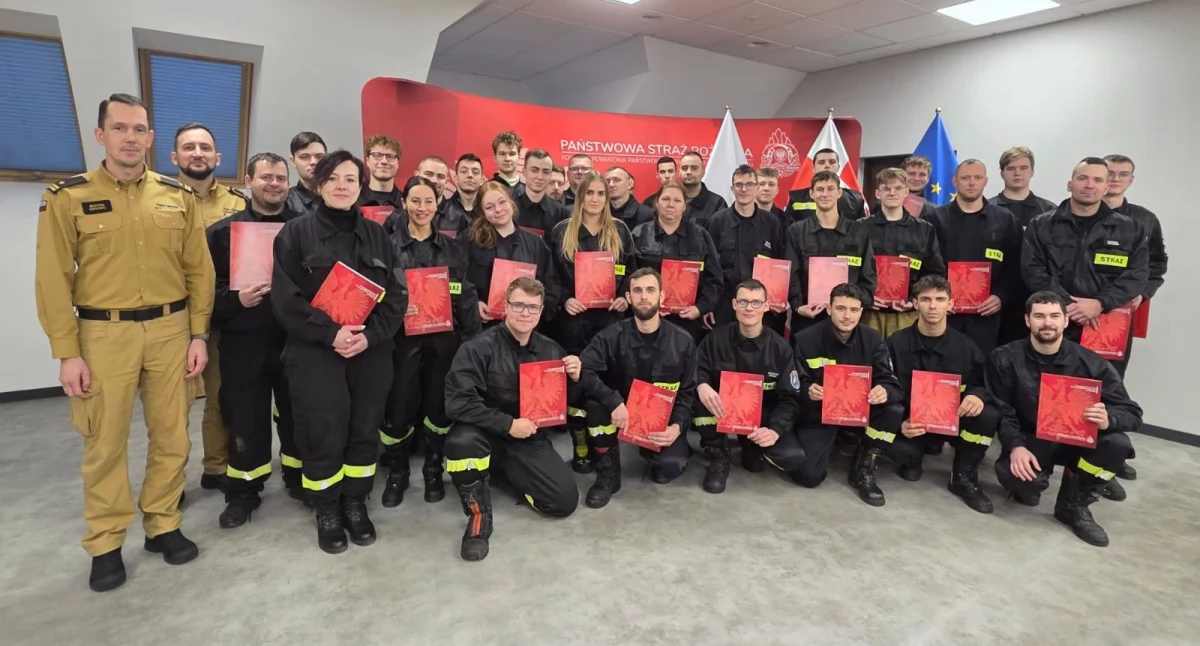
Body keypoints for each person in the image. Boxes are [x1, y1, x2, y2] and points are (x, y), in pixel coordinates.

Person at [36, 93, 213, 591]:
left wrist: (199, 333)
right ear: (101, 135)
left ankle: (162, 524)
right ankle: (107, 541)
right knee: (105, 442)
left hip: (171, 331)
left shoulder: (175, 196)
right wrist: (67, 351)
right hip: (102, 334)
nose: (130, 138)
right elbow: (52, 279)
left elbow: (200, 271)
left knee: (172, 435)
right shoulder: (67, 197)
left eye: (139, 129)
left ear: (151, 138)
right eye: (120, 128)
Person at [271, 150, 404, 554]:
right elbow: (285, 300)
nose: (343, 186)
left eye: (351, 179)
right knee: (322, 431)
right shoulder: (293, 234)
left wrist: (370, 336)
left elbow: (396, 296)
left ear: (361, 187)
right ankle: (326, 507)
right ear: (318, 184)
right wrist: (330, 334)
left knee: (364, 429)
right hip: (316, 353)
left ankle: (355, 502)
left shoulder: (379, 236)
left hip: (369, 351)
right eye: (334, 179)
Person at [1021, 158, 1148, 502]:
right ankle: (1040, 464)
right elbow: (1032, 270)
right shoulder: (1042, 225)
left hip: (1103, 327)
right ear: (1070, 183)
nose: (1089, 185)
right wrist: (1064, 306)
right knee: (1045, 393)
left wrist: (1100, 303)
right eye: (1082, 178)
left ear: (1107, 187)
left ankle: (1088, 477)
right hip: (1054, 323)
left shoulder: (1130, 229)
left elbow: (1137, 276)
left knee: (1102, 395)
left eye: (1097, 180)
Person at [443, 277, 582, 561]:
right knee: (461, 442)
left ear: (542, 311)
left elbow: (567, 403)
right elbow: (456, 404)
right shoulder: (477, 348)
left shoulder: (552, 350)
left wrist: (576, 378)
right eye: (518, 305)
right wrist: (507, 425)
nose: (524, 313)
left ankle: (504, 472)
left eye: (532, 307)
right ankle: (479, 521)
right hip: (484, 433)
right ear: (505, 306)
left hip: (529, 438)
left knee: (563, 502)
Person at [987, 292, 1140, 547]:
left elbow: (1133, 412)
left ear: (1066, 321)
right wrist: (1015, 446)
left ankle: (1074, 504)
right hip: (1032, 438)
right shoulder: (1003, 358)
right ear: (1027, 321)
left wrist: (1108, 420)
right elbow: (1003, 410)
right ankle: (1033, 483)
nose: (1047, 323)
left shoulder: (1092, 363)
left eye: (1054, 316)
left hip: (1078, 442)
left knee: (1117, 443)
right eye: (1039, 316)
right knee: (1021, 482)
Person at [204, 153, 303, 527]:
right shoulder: (220, 234)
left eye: (280, 178)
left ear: (289, 184)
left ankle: (298, 477)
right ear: (249, 180)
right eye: (266, 177)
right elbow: (202, 294)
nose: (274, 184)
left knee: (298, 413)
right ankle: (244, 491)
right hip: (243, 341)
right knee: (245, 418)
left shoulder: (304, 229)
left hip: (295, 340)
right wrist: (235, 299)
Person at [379, 177, 482, 509]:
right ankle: (398, 472)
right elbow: (377, 295)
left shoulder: (453, 249)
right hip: (400, 342)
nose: (422, 208)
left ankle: (434, 468)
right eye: (415, 200)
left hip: (443, 342)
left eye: (428, 201)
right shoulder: (388, 247)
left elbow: (464, 295)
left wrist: (471, 340)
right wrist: (395, 305)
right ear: (404, 203)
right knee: (398, 408)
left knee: (438, 408)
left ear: (438, 204)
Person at [172, 123, 249, 494]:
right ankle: (169, 485)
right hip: (171, 317)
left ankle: (216, 467)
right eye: (189, 148)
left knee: (219, 395)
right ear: (175, 157)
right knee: (170, 408)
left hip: (219, 313)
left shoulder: (238, 204)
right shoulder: (161, 199)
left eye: (205, 147)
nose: (197, 153)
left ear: (218, 157)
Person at [579, 268, 698, 507]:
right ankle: (608, 473)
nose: (644, 296)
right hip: (621, 413)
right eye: (638, 291)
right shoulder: (611, 336)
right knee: (594, 404)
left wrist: (677, 426)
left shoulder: (683, 341)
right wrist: (613, 401)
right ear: (629, 297)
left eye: (650, 290)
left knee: (668, 467)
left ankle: (654, 451)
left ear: (662, 297)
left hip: (661, 419)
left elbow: (687, 391)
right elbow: (585, 369)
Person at [884, 276, 999, 513]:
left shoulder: (967, 348)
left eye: (940, 299)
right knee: (904, 458)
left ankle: (963, 477)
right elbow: (883, 384)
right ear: (915, 304)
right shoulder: (895, 344)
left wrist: (977, 396)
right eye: (926, 299)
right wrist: (899, 425)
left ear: (951, 303)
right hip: (911, 423)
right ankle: (913, 457)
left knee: (987, 414)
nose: (933, 306)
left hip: (952, 423)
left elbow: (983, 382)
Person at [547, 170, 635, 475]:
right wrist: (562, 300)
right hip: (573, 324)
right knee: (575, 386)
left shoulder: (620, 231)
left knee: (604, 386)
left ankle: (604, 449)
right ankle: (579, 445)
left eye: (601, 193)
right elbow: (549, 277)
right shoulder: (561, 231)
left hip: (610, 323)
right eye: (590, 193)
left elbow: (632, 272)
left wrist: (625, 296)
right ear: (579, 196)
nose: (595, 199)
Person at [790, 284, 904, 506]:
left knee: (893, 410)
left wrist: (885, 392)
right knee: (809, 477)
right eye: (841, 308)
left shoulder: (873, 340)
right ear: (829, 309)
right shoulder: (805, 339)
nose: (847, 316)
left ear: (861, 312)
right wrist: (807, 391)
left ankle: (865, 466)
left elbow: (893, 384)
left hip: (860, 413)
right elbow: (792, 385)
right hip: (818, 415)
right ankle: (833, 444)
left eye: (854, 310)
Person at [692, 279, 806, 494]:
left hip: (762, 417)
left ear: (765, 306)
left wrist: (774, 430)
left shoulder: (780, 349)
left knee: (792, 457)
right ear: (734, 304)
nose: (749, 308)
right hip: (721, 410)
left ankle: (752, 446)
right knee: (699, 401)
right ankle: (718, 454)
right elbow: (696, 370)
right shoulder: (715, 340)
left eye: (755, 303)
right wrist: (702, 385)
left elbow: (790, 398)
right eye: (743, 302)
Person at [1102, 153, 1167, 485]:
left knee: (1112, 382)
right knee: (1067, 381)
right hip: (1075, 314)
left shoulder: (1144, 220)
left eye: (1121, 174)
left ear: (1131, 180)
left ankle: (1109, 453)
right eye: (1108, 173)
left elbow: (1156, 266)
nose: (1113, 179)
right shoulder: (1070, 213)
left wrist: (1144, 293)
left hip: (1116, 319)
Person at [928, 159, 1023, 356]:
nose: (971, 183)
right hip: (944, 312)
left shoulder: (1005, 220)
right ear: (955, 181)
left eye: (977, 178)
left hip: (987, 313)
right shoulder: (934, 219)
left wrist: (1000, 296)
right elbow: (927, 264)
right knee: (943, 365)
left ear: (986, 181)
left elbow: (1016, 266)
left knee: (981, 369)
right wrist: (937, 298)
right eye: (965, 178)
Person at [784, 170, 877, 334]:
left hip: (847, 319)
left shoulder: (859, 232)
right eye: (820, 189)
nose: (825, 194)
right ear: (811, 194)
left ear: (839, 192)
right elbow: (792, 273)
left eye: (830, 189)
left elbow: (868, 275)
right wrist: (798, 306)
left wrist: (856, 306)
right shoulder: (796, 231)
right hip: (808, 317)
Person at [631, 181, 723, 342]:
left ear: (684, 206)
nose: (671, 204)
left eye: (677, 200)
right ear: (656, 202)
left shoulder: (700, 236)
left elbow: (714, 279)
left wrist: (700, 308)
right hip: (646, 319)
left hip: (688, 322)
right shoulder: (639, 234)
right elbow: (627, 275)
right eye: (666, 199)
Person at [860, 168, 945, 338]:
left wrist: (914, 298)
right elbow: (850, 267)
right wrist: (865, 297)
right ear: (878, 193)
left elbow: (935, 271)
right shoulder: (859, 227)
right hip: (868, 312)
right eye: (886, 188)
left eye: (898, 188)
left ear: (906, 192)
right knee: (869, 360)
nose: (892, 193)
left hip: (908, 312)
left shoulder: (924, 229)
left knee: (903, 360)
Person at [467, 180, 560, 332]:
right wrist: (473, 304)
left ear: (511, 201)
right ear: (482, 213)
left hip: (527, 331)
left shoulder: (535, 243)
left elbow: (552, 284)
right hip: (485, 329)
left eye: (502, 202)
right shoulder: (471, 242)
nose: (498, 210)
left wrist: (535, 312)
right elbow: (457, 284)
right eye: (489, 207)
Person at [706, 167, 787, 333]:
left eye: (749, 184)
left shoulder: (771, 223)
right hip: (725, 305)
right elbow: (708, 267)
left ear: (756, 188)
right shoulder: (717, 222)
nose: (744, 189)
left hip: (761, 307)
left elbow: (779, 264)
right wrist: (706, 304)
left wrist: (778, 300)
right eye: (739, 185)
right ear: (732, 188)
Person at [992, 147, 1058, 347]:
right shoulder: (988, 209)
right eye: (1011, 168)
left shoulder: (1050, 212)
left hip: (1039, 296)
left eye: (1023, 168)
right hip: (997, 299)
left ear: (1032, 172)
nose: (1017, 173)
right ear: (1002, 172)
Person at [783, 148, 867, 223]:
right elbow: (789, 230)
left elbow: (862, 231)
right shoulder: (796, 198)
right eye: (821, 162)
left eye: (832, 162)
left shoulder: (855, 199)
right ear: (813, 168)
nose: (827, 165)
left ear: (838, 167)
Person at [514, 149, 570, 236]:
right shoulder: (510, 208)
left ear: (550, 175)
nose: (540, 177)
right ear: (524, 172)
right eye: (534, 170)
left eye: (546, 172)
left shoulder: (562, 213)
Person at [437, 153, 484, 238]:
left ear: (482, 180)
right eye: (464, 171)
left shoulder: (488, 211)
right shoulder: (441, 211)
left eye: (475, 172)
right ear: (455, 178)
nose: (470, 175)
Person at [678, 150, 729, 227]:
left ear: (703, 172)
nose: (688, 172)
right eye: (684, 168)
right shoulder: (669, 201)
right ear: (679, 172)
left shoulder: (717, 203)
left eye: (694, 168)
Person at [285, 131, 326, 217]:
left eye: (319, 157)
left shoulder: (344, 194)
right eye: (304, 157)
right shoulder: (285, 201)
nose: (313, 162)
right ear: (292, 161)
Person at [359, 134, 404, 211]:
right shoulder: (352, 200)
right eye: (377, 155)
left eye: (390, 156)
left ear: (397, 164)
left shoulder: (406, 203)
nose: (384, 161)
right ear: (368, 161)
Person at [607, 166, 655, 230]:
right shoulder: (600, 213)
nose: (611, 184)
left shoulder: (647, 215)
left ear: (629, 184)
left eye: (617, 180)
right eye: (607, 181)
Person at [491, 130, 526, 198]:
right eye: (502, 154)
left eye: (512, 154)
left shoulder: (528, 191)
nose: (507, 158)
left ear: (519, 157)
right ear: (495, 158)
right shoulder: (485, 189)